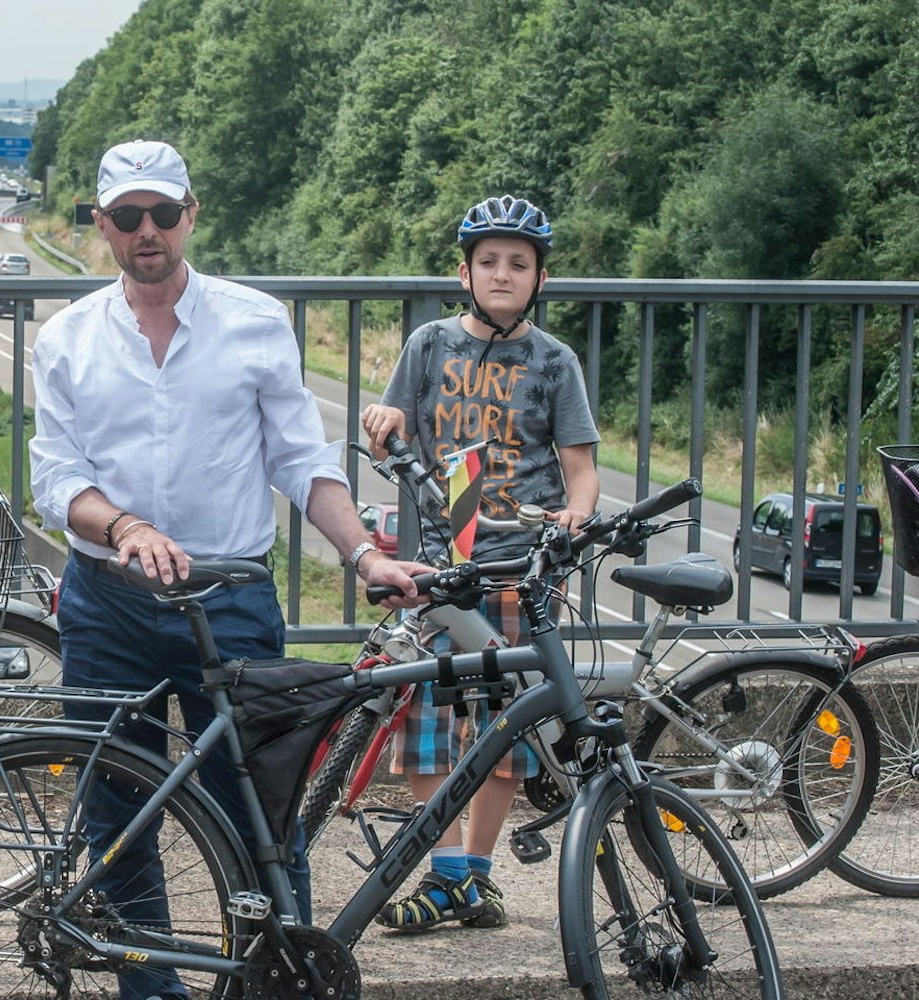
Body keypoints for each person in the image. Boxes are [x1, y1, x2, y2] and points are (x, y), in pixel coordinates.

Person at [30, 139, 428, 1000]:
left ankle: (271, 985)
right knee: (118, 816)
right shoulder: (65, 338)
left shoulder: (256, 320)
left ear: (191, 216)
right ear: (102, 225)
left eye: (163, 213)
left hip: (231, 601)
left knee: (261, 822)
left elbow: (303, 460)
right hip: (110, 600)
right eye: (128, 216)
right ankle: (155, 990)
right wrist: (125, 525)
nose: (148, 232)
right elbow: (54, 478)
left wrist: (363, 553)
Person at [358, 194, 601, 932]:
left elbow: (580, 468)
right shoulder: (429, 345)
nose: (502, 274)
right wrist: (382, 423)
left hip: (520, 569)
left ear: (540, 279)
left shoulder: (555, 362)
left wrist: (575, 516)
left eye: (518, 264)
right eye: (488, 262)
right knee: (427, 724)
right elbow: (390, 430)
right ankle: (446, 875)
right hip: (441, 563)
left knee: (504, 730)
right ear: (463, 272)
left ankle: (480, 872)